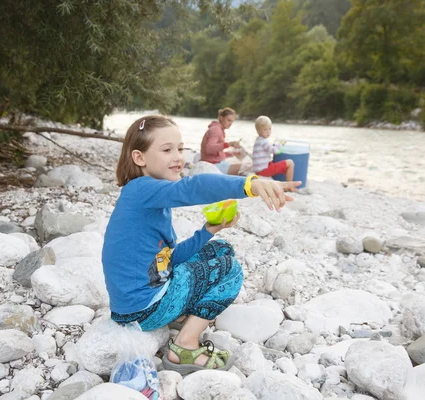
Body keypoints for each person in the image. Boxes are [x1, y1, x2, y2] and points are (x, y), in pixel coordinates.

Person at [103, 115, 300, 375]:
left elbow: (168, 260)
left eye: (180, 148)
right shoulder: (141, 190)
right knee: (230, 270)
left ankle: (180, 317)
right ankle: (185, 345)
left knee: (220, 250)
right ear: (139, 158)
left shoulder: (148, 196)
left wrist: (208, 231)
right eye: (166, 150)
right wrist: (250, 184)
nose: (178, 157)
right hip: (143, 309)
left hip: (135, 305)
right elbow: (193, 187)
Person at [252, 115, 296, 189]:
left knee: (277, 164)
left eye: (269, 129)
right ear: (258, 131)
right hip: (264, 170)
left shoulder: (258, 140)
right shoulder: (263, 141)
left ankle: (284, 184)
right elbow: (275, 151)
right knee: (290, 163)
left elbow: (269, 149)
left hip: (259, 169)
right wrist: (281, 144)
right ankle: (290, 187)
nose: (268, 132)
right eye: (265, 130)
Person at [200, 107, 242, 175]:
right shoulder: (216, 130)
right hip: (211, 166)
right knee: (242, 167)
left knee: (240, 164)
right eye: (228, 120)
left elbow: (216, 151)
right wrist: (228, 144)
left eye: (232, 121)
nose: (230, 123)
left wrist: (230, 154)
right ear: (221, 118)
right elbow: (209, 148)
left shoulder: (218, 129)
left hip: (213, 163)